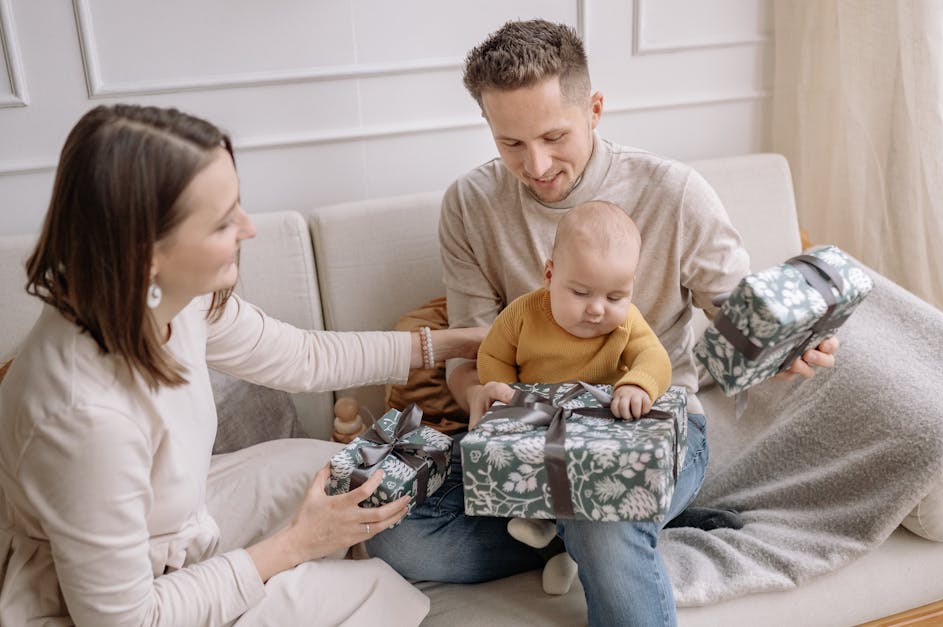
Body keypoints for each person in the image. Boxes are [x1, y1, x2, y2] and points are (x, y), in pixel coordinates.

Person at [365, 20, 838, 626]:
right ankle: (630, 522)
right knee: (393, 533)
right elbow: (471, 351)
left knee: (598, 503)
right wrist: (481, 393)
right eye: (511, 143)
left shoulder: (675, 193)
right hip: (529, 435)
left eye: (554, 135)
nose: (535, 164)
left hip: (654, 427)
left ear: (594, 109)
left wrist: (785, 345)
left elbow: (737, 318)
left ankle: (609, 520)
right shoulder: (470, 204)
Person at [0, 104, 487, 626]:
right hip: (104, 606)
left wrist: (452, 344)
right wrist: (297, 544)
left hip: (174, 523)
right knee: (374, 591)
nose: (249, 227)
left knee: (340, 471)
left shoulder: (168, 301)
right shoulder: (84, 417)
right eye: (223, 220)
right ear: (146, 254)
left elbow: (303, 357)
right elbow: (123, 620)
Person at [474, 200, 672, 595]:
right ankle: (550, 541)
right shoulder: (523, 314)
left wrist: (637, 384)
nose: (598, 309)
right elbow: (492, 354)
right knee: (518, 470)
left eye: (616, 296)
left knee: (601, 483)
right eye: (581, 292)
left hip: (604, 429)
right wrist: (499, 389)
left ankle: (557, 540)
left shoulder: (627, 322)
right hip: (539, 424)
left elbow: (655, 356)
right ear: (550, 275)